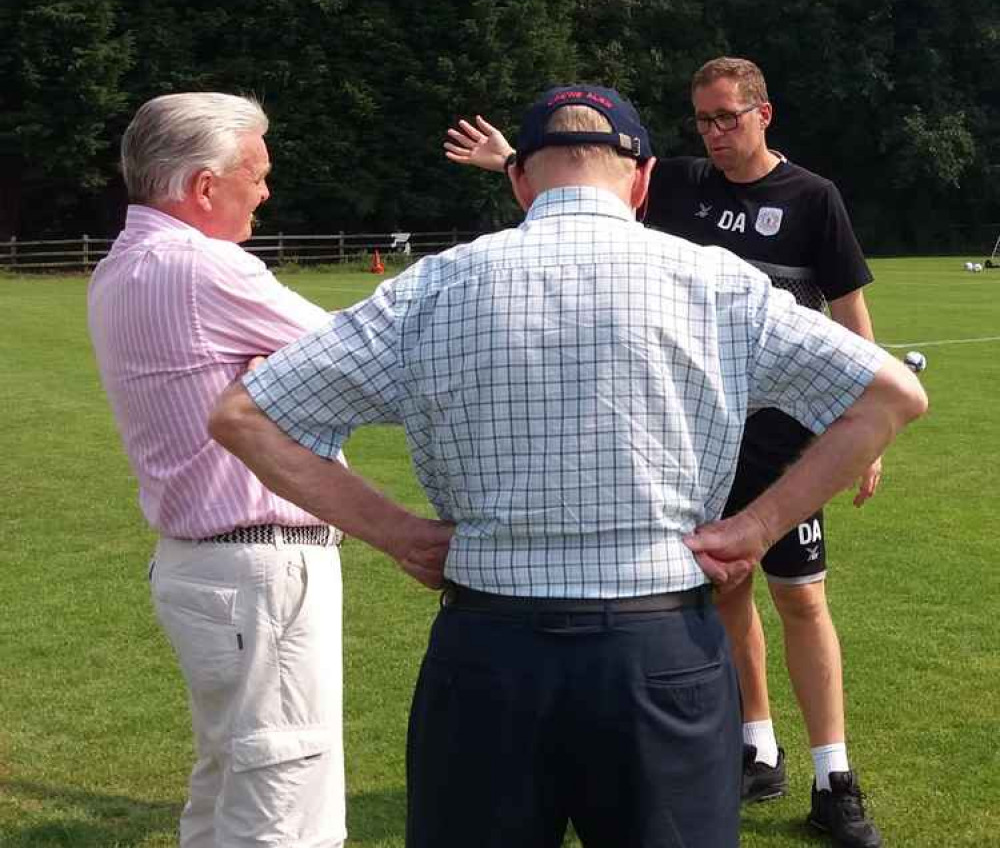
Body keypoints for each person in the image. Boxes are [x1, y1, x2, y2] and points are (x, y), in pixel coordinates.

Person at [208, 85, 926, 848]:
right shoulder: (717, 283)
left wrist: (399, 533)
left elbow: (246, 416)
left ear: (518, 179)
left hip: (488, 648)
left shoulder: (432, 287)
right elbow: (892, 394)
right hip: (661, 651)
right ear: (643, 179)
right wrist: (756, 528)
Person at [442, 58, 888, 848]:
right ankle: (757, 746)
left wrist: (862, 429)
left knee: (802, 599)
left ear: (764, 113)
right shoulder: (677, 184)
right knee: (723, 594)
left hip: (784, 448)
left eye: (728, 118)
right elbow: (588, 192)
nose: (715, 134)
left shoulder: (812, 198)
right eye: (703, 120)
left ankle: (834, 774)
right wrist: (513, 159)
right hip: (691, 436)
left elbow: (851, 313)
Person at [88, 92, 451, 848]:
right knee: (284, 809)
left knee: (228, 787)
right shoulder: (202, 268)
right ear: (204, 187)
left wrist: (278, 371)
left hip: (208, 569)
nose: (266, 189)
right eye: (255, 172)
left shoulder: (127, 263)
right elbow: (367, 361)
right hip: (258, 571)